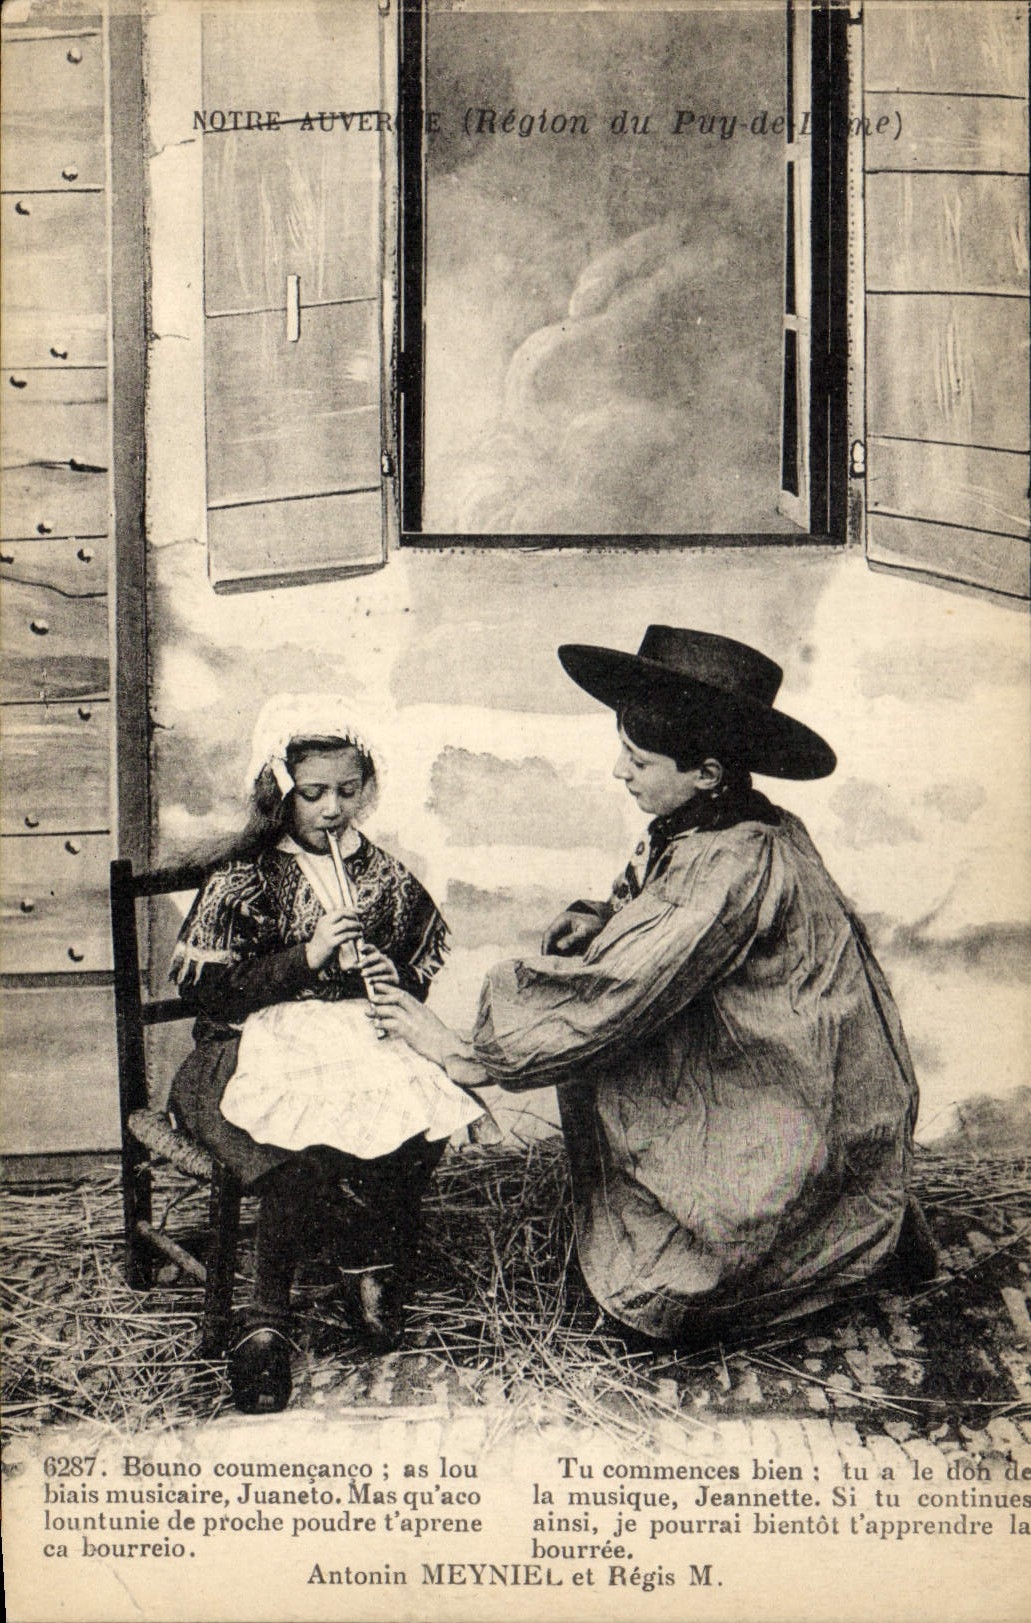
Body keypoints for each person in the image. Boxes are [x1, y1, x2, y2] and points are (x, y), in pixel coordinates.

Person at [369, 627, 936, 1347]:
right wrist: (604, 915)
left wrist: (467, 1054)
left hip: (789, 1081)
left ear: (704, 771)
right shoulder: (731, 823)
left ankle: (800, 1265)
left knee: (655, 1280)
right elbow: (662, 916)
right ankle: (860, 1239)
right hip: (795, 1058)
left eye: (637, 760)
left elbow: (618, 990)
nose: (619, 772)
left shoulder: (728, 860)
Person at [167, 694, 482, 1412]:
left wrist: (385, 973)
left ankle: (365, 1262)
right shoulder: (244, 876)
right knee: (296, 1156)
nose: (333, 810)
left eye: (348, 791)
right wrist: (307, 955)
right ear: (279, 791)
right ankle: (265, 1324)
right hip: (245, 1048)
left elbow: (417, 958)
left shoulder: (376, 871)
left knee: (418, 1120)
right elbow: (212, 997)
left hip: (344, 1043)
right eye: (313, 793)